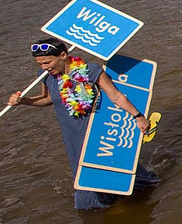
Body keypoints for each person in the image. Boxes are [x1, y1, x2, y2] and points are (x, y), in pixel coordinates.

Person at [7, 40, 160, 210]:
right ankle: (100, 204)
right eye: (40, 64)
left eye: (47, 62)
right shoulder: (46, 76)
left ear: (63, 55)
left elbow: (116, 96)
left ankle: (140, 191)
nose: (44, 67)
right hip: (72, 134)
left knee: (113, 167)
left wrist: (138, 117)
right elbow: (48, 99)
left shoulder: (91, 71)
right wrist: (24, 101)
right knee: (84, 175)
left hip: (97, 131)